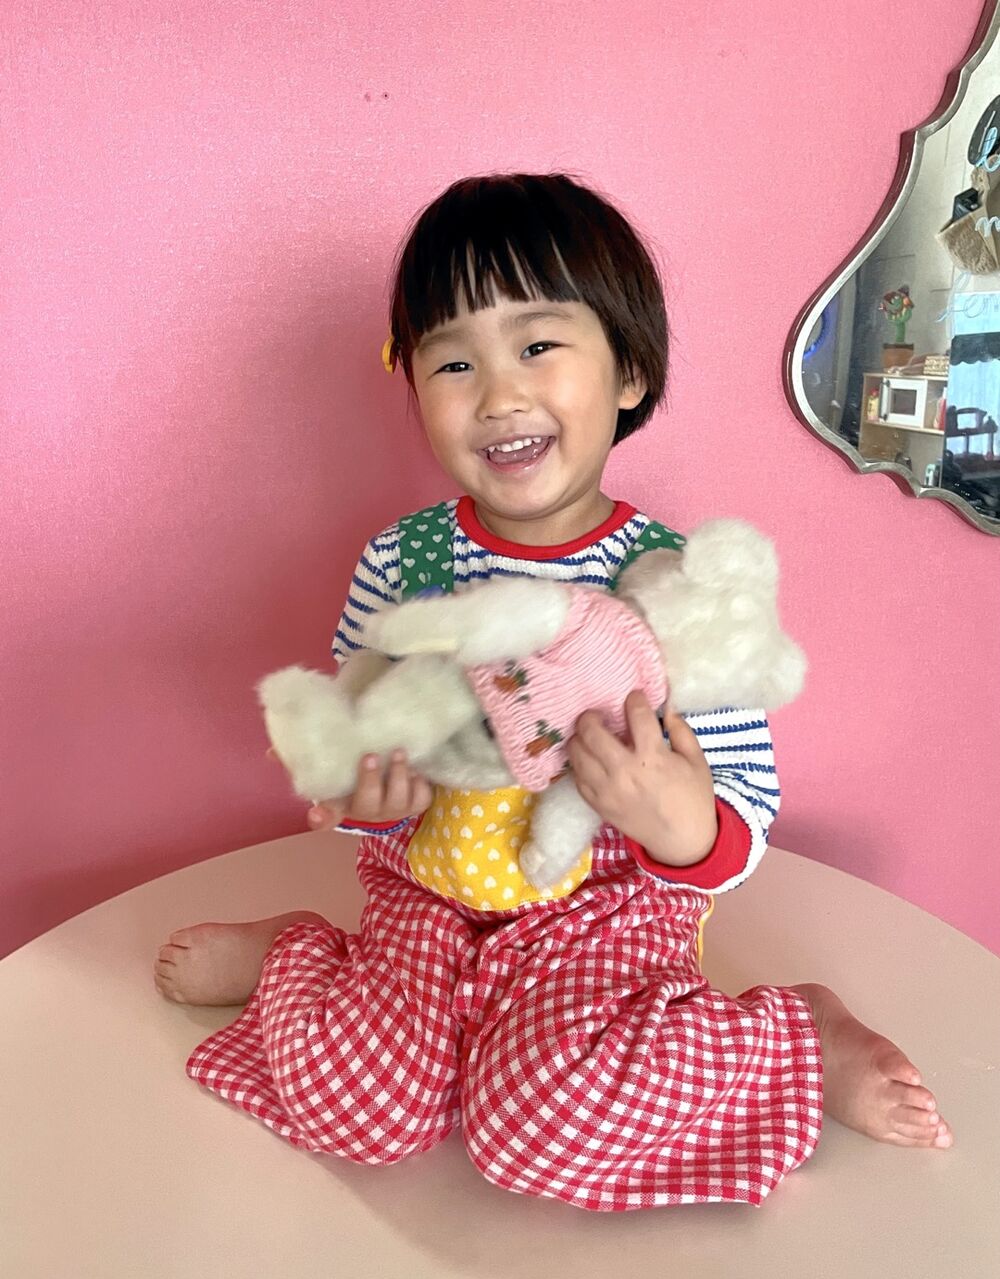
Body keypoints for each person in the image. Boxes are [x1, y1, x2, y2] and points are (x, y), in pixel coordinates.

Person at [154, 173, 952, 1211]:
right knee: (366, 1111)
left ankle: (794, 1033)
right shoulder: (402, 561)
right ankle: (302, 956)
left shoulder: (671, 582)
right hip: (428, 892)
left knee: (537, 1128)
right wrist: (363, 799)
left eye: (536, 345)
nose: (496, 394)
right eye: (453, 361)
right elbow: (355, 742)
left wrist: (676, 820)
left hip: (602, 914)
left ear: (629, 370)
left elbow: (745, 802)